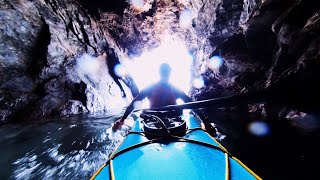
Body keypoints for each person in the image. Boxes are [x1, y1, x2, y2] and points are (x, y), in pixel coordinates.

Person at [112, 63, 215, 135]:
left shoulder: (174, 89)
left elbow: (191, 104)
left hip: (169, 117)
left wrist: (205, 121)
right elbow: (135, 103)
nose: (165, 74)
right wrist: (122, 120)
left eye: (166, 72)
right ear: (161, 73)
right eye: (164, 72)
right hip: (158, 118)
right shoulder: (152, 88)